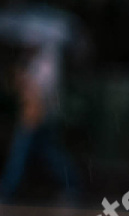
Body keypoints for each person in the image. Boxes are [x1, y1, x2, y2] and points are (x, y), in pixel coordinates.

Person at [1, 37, 80, 204]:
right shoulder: (35, 62)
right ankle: (72, 184)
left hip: (37, 117)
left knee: (21, 153)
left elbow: (38, 93)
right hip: (37, 116)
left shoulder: (47, 64)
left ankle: (7, 189)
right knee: (49, 153)